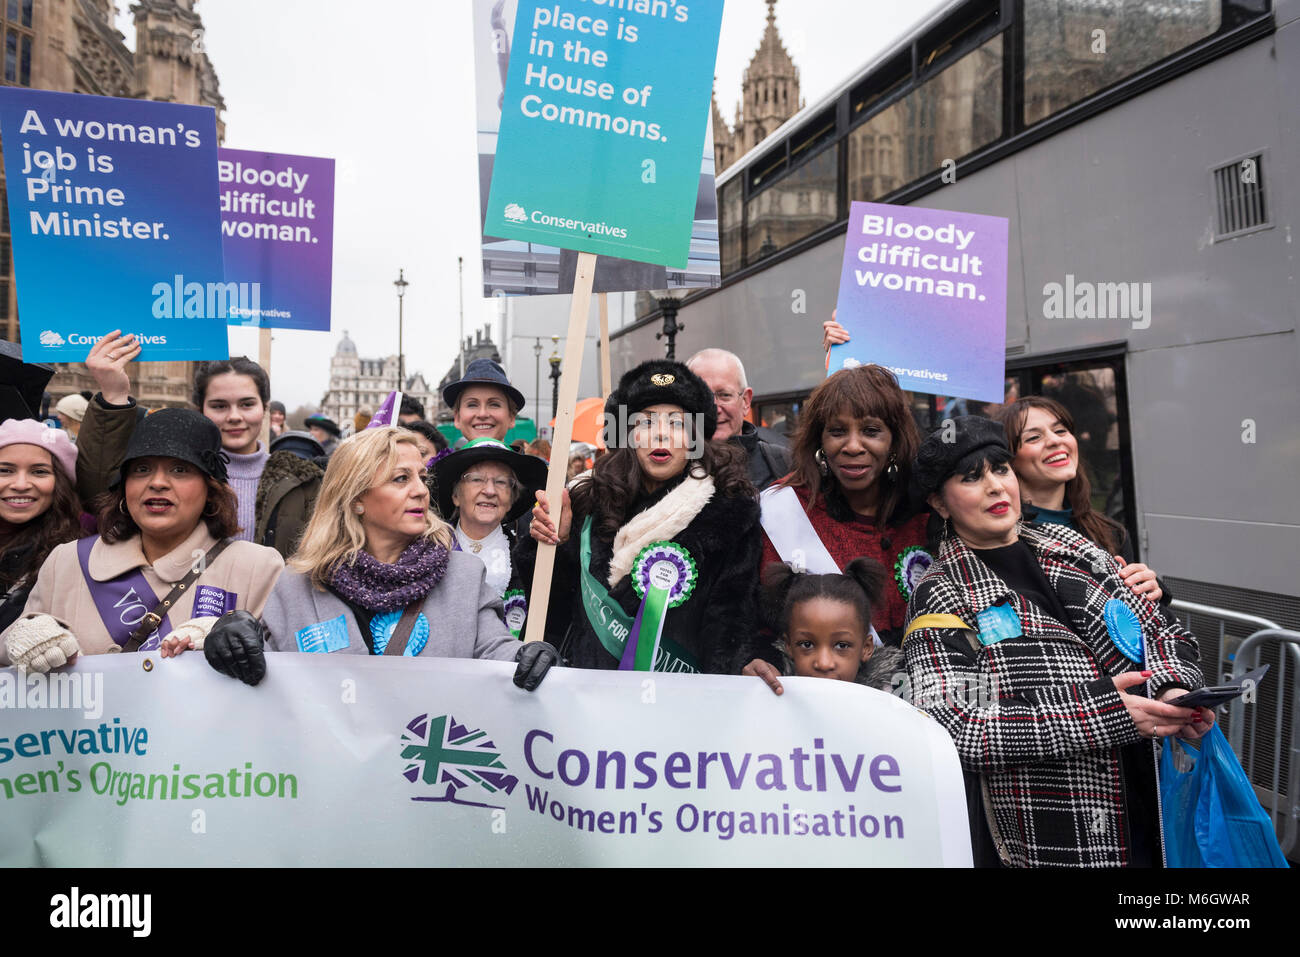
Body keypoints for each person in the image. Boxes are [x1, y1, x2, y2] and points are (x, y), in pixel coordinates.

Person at [903, 416, 1211, 868]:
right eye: (971, 478)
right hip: (1060, 830)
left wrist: (1172, 692)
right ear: (940, 503)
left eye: (1001, 470)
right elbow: (961, 724)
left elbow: (1161, 629)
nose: (995, 487)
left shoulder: (1071, 544)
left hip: (1151, 799)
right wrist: (1105, 713)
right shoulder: (940, 590)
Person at [195, 427, 556, 692]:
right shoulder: (297, 584)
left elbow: (497, 650)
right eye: (401, 478)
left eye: (421, 476)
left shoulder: (462, 575)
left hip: (426, 777)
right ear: (355, 498)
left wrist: (528, 658)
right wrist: (234, 642)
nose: (420, 489)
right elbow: (264, 679)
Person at [518, 360, 761, 674]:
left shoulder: (729, 514)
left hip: (676, 704)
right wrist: (555, 543)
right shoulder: (588, 501)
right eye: (645, 423)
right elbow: (554, 614)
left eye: (676, 423)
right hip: (583, 699)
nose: (661, 435)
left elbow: (730, 627)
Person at [1, 409, 284, 669]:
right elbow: (12, 669)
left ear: (210, 489)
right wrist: (20, 638)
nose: (157, 482)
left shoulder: (258, 567)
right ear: (123, 486)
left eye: (180, 469)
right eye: (141, 469)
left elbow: (290, 680)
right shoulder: (67, 561)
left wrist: (243, 645)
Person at [745, 365, 930, 665]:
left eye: (871, 431)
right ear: (819, 441)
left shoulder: (925, 512)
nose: (853, 446)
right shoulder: (782, 510)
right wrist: (755, 657)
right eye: (837, 431)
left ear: (895, 441)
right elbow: (746, 621)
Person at [993, 396, 1169, 604]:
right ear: (1010, 460)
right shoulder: (1001, 539)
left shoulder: (1110, 533)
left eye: (1060, 431)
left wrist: (1151, 588)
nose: (1055, 441)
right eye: (1033, 438)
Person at [434, 438, 545, 637]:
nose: (490, 491)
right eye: (476, 479)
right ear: (456, 496)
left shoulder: (530, 560)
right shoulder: (427, 551)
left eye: (501, 482)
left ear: (512, 500)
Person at [745, 557, 903, 696]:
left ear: (866, 648)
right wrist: (752, 690)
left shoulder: (892, 702)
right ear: (788, 646)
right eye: (807, 644)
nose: (823, 663)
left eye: (842, 645)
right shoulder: (772, 690)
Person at [0, 420, 87, 633]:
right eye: (5, 470)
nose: (21, 485)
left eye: (39, 472)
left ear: (60, 482)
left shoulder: (78, 555)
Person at [686, 347, 790, 490]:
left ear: (746, 401)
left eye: (725, 395)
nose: (714, 409)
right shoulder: (668, 470)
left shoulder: (785, 463)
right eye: (702, 398)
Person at [442, 357, 525, 443]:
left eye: (494, 404)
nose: (482, 414)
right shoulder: (442, 457)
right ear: (457, 418)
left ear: (511, 417)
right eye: (472, 405)